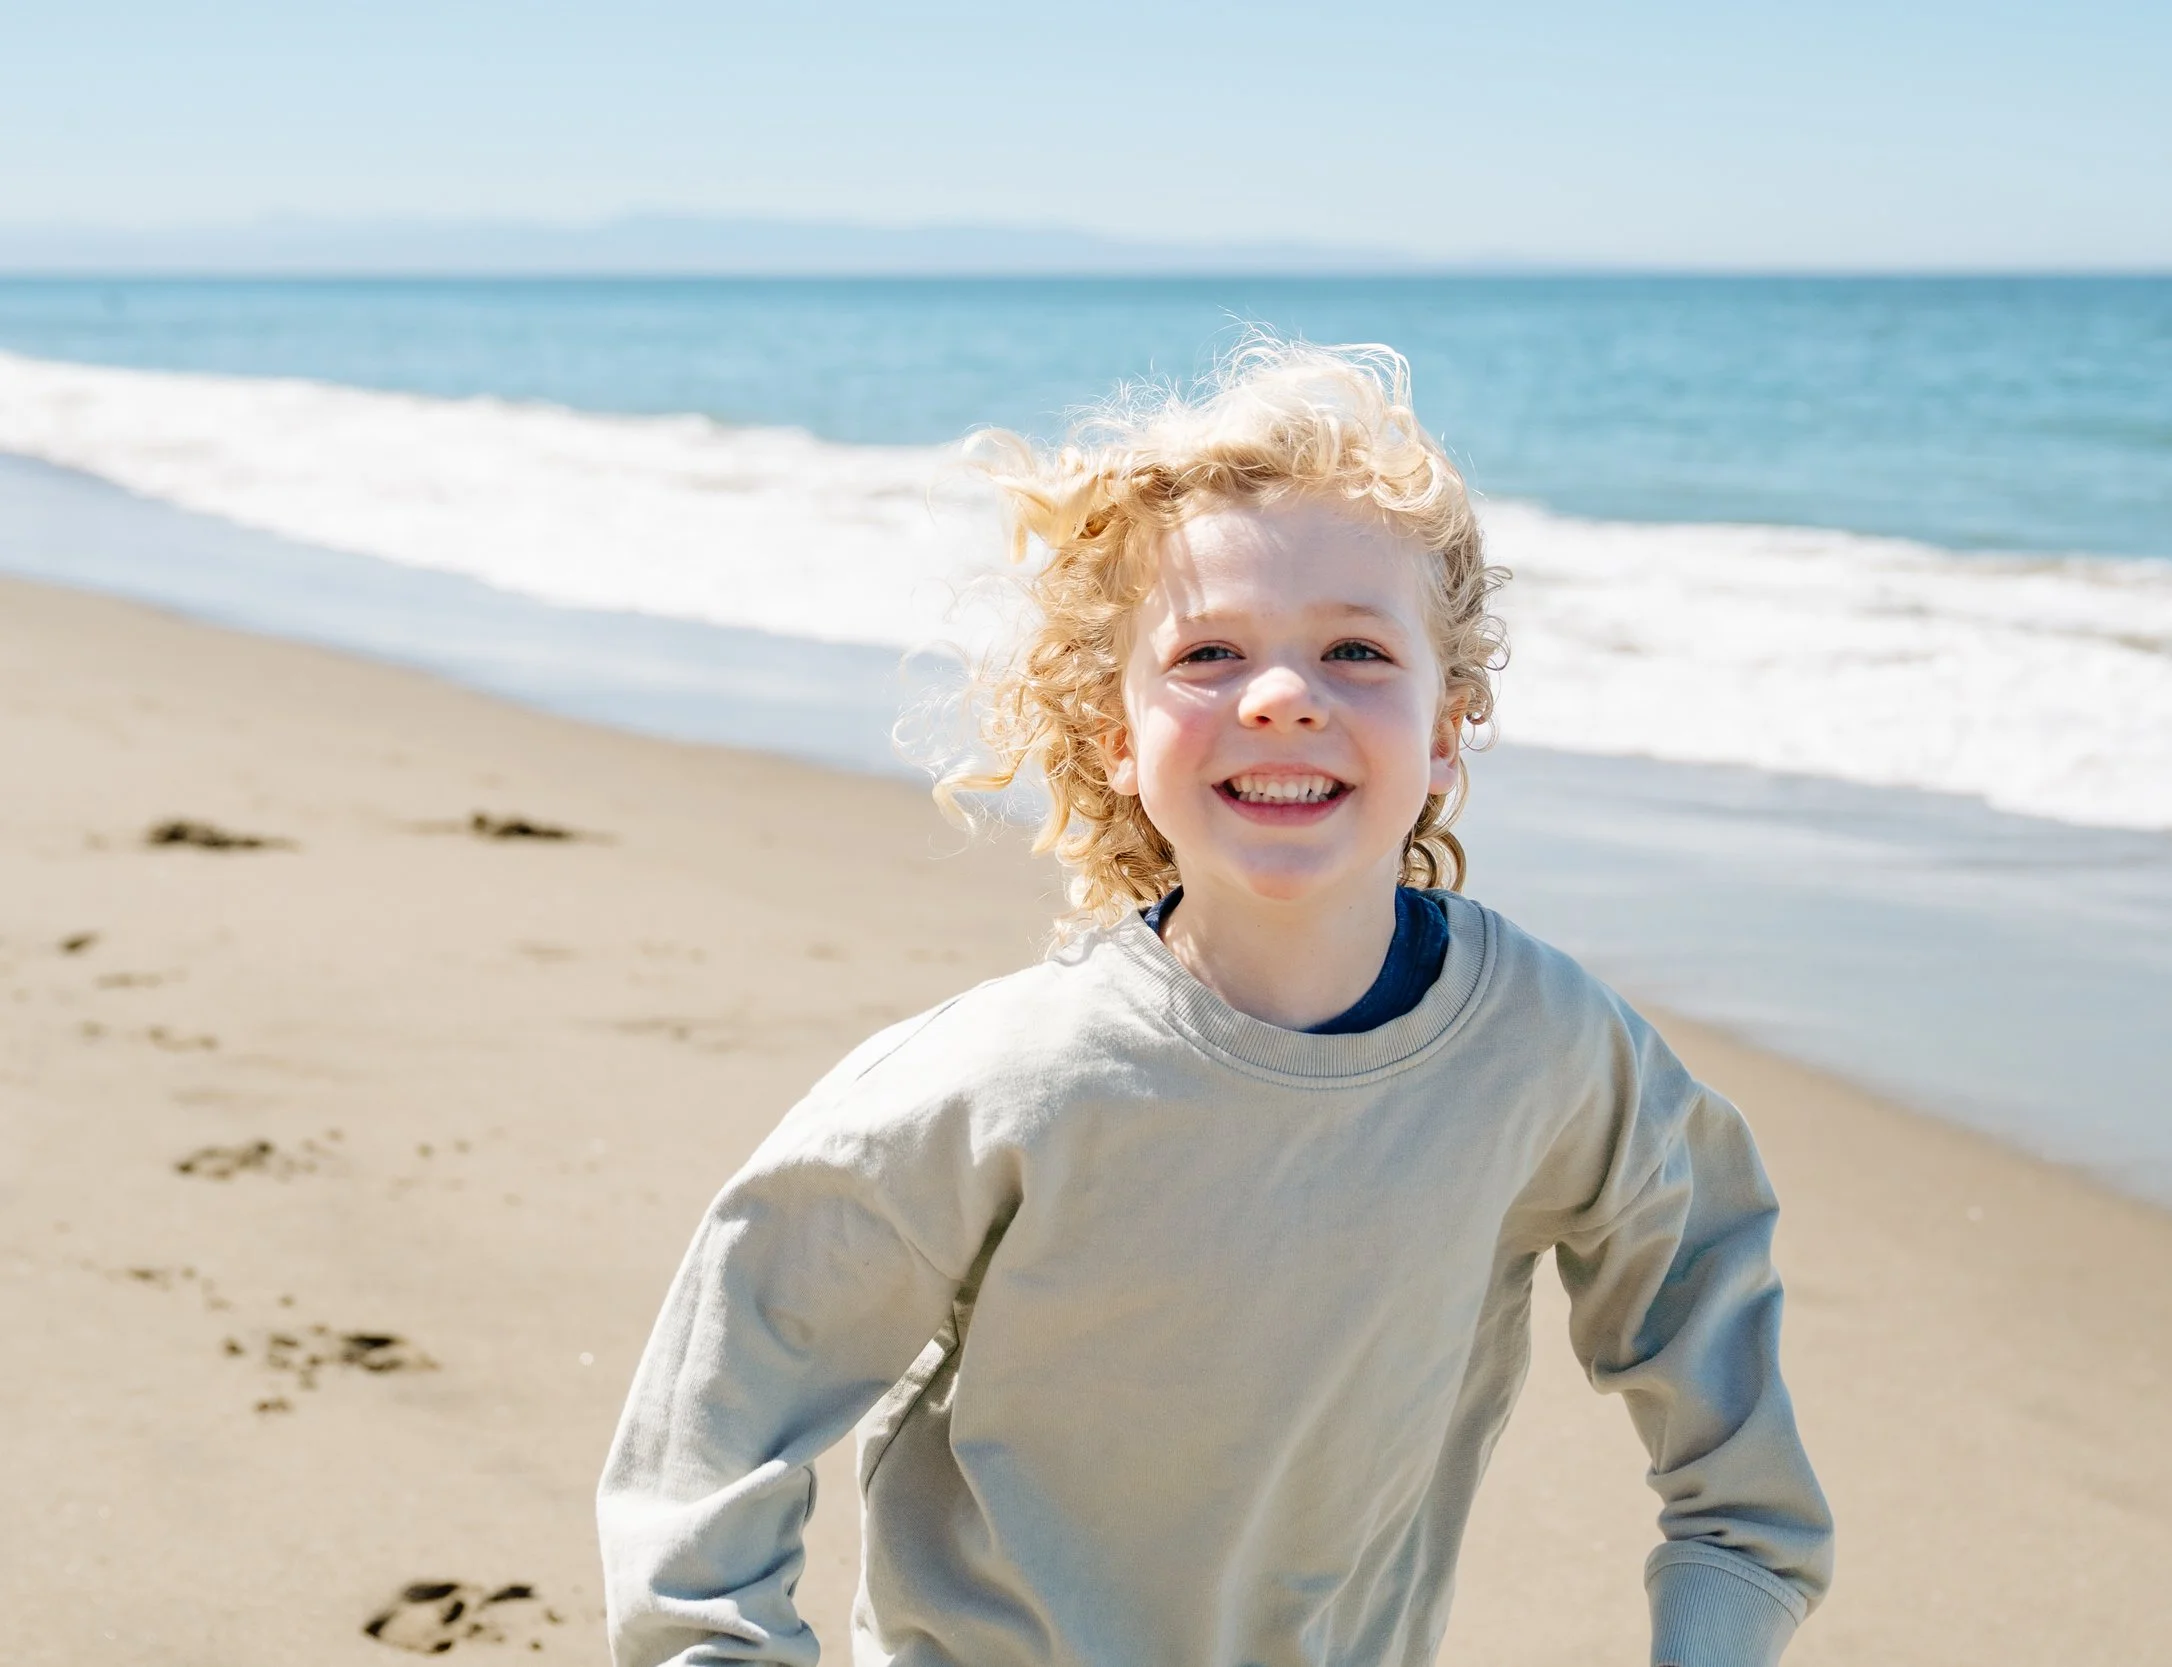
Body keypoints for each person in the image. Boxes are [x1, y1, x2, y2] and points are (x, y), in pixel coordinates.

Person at [596, 340, 1833, 1667]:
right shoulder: (1008, 1075)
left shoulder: (1545, 1051)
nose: (1285, 696)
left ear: (1446, 725)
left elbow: (1736, 1450)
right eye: (1209, 651)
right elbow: (729, 1387)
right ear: (1119, 736)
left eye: (1357, 649)